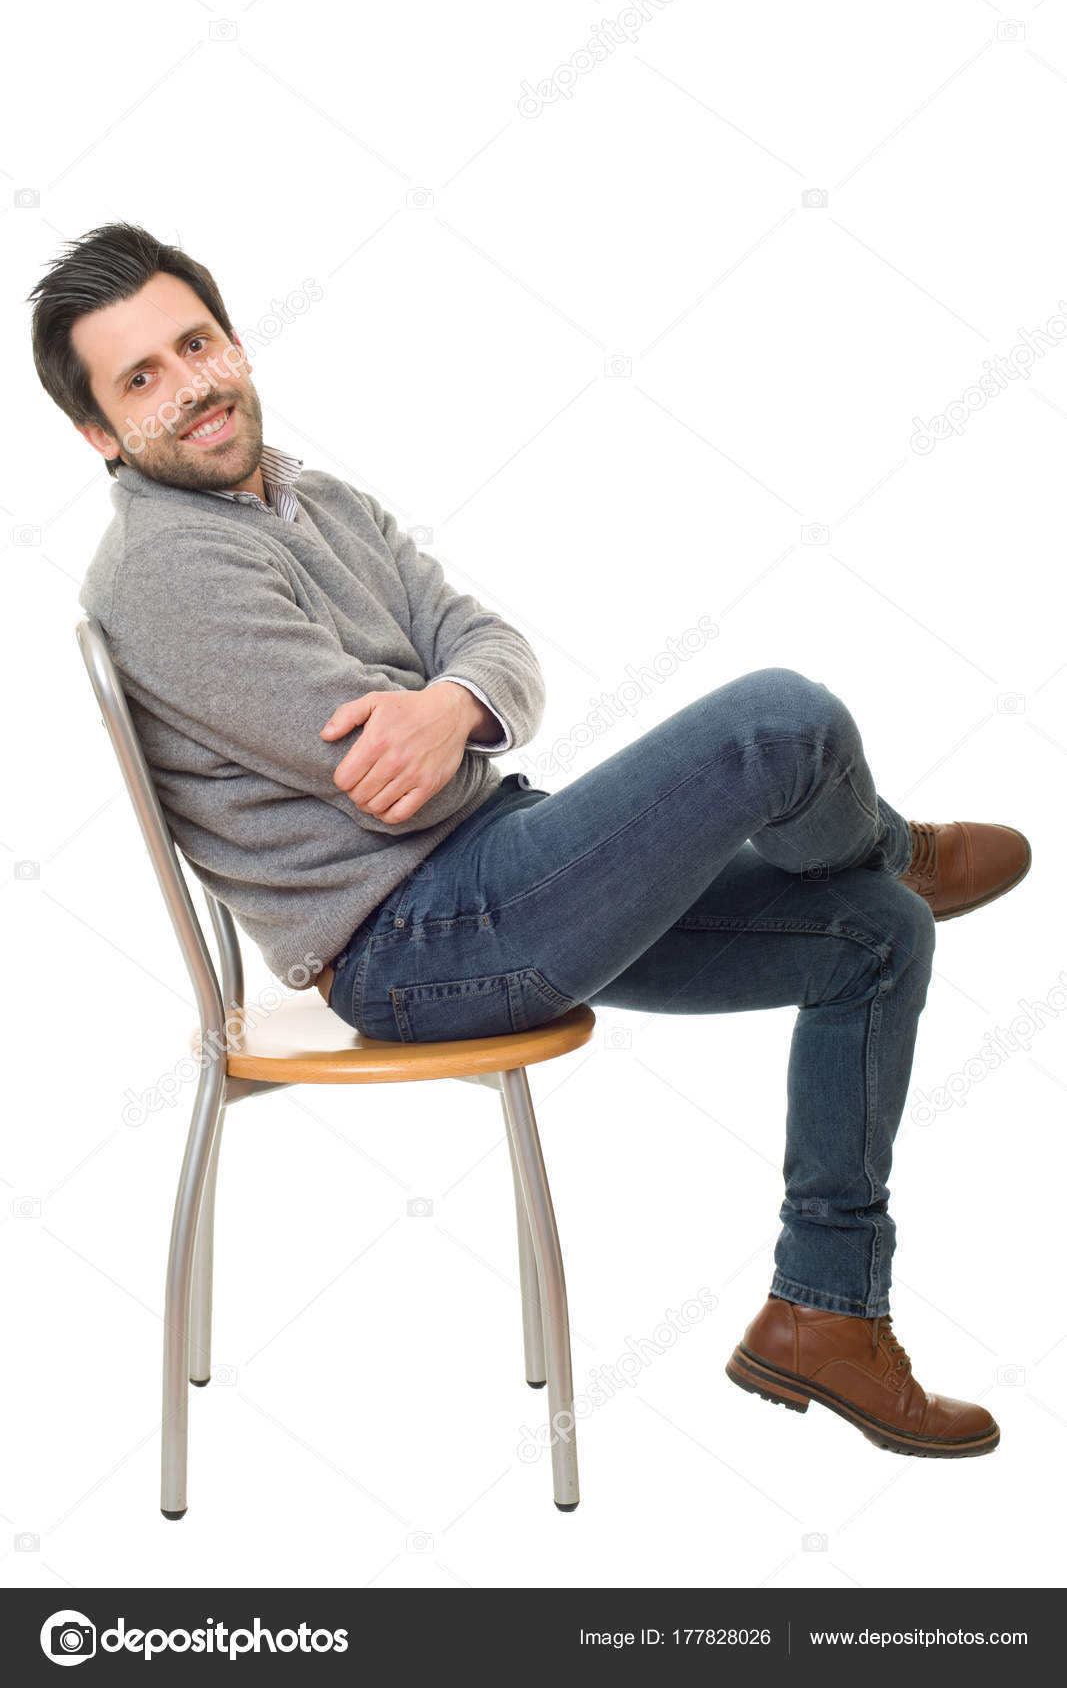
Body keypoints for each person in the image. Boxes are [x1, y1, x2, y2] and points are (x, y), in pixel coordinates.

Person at [31, 222, 1031, 1463]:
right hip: (414, 941)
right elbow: (383, 784)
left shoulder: (317, 493)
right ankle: (879, 841)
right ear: (96, 434)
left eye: (194, 343)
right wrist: (442, 709)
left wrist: (453, 700)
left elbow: (488, 643)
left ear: (232, 338)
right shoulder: (164, 569)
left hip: (502, 868)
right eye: (141, 378)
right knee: (780, 721)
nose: (188, 385)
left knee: (870, 939)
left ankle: (822, 1311)